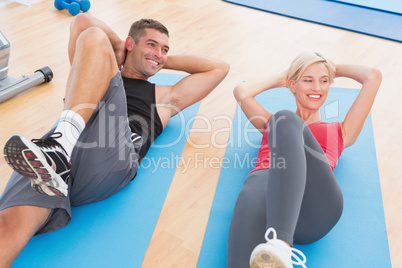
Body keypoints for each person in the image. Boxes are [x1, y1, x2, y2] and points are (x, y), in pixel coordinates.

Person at [0, 13, 229, 266]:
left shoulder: (164, 97)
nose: (159, 52)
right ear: (131, 43)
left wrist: (158, 60)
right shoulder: (89, 69)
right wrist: (122, 47)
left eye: (164, 49)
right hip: (48, 164)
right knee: (7, 226)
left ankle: (58, 147)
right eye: (151, 44)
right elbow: (81, 22)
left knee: (94, 38)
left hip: (113, 154)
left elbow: (219, 68)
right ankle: (58, 151)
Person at [227, 52, 381, 268]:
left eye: (324, 81)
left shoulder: (340, 131)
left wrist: (329, 66)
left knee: (286, 119)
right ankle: (274, 247)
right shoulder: (272, 123)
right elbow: (241, 93)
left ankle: (280, 245)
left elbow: (373, 76)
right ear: (292, 85)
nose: (317, 88)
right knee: (262, 172)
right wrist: (285, 76)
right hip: (266, 202)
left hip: (315, 209)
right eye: (308, 80)